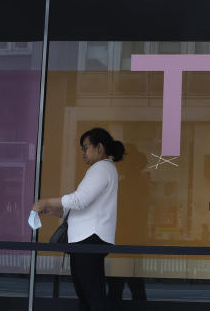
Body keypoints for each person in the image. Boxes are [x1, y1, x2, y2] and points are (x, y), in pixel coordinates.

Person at [33, 127, 125, 311]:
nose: (82, 153)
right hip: (89, 239)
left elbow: (79, 200)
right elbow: (86, 206)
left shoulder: (101, 169)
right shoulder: (103, 169)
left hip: (89, 239)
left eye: (85, 148)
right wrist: (56, 211)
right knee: (89, 295)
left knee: (90, 296)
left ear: (99, 147)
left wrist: (46, 201)